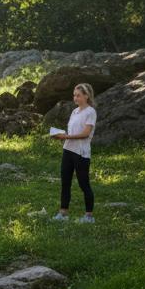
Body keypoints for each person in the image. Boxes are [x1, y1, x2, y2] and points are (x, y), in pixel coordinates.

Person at [51, 83, 97, 223]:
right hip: (68, 150)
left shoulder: (90, 112)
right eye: (74, 95)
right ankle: (63, 213)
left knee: (84, 184)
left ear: (86, 96)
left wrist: (66, 137)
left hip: (81, 153)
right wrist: (60, 135)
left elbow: (85, 134)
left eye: (78, 95)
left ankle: (89, 216)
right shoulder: (75, 111)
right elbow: (72, 132)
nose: (75, 98)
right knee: (65, 182)